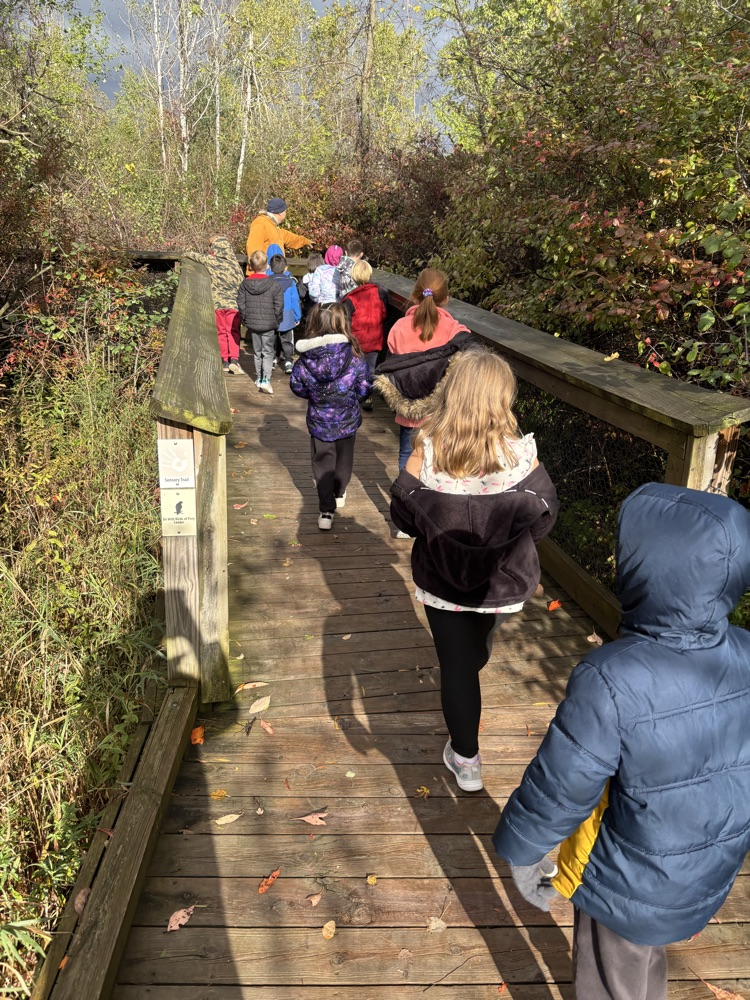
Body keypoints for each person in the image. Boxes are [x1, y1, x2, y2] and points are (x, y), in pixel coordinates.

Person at [492, 482, 750, 1000]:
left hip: (627, 875)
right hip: (707, 862)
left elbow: (564, 783)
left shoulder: (611, 678)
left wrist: (522, 849)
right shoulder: (745, 650)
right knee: (645, 958)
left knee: (611, 979)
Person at [390, 348, 558, 793]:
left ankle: (466, 760)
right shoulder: (520, 455)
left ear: (454, 393)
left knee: (457, 666)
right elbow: (545, 514)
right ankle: (465, 729)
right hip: (498, 584)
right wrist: (508, 546)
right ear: (502, 399)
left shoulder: (427, 448)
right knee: (475, 653)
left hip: (441, 581)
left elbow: (403, 513)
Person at [374, 267, 473, 481]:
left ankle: (405, 498)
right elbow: (467, 353)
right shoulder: (453, 330)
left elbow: (392, 363)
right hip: (440, 412)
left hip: (408, 409)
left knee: (406, 455)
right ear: (446, 299)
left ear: (414, 294)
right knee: (440, 458)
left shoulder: (399, 327)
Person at [290, 303, 371, 530]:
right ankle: (340, 492)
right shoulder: (353, 355)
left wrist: (314, 394)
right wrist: (353, 396)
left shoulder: (306, 358)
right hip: (347, 419)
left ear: (314, 324)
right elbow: (365, 387)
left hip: (319, 421)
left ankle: (326, 512)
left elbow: (297, 385)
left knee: (323, 463)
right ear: (342, 323)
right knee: (344, 460)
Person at [182, 237, 245, 374]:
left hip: (217, 305)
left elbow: (198, 257)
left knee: (221, 332)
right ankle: (234, 359)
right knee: (233, 332)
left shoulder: (211, 261)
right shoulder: (235, 266)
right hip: (233, 305)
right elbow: (242, 284)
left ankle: (225, 361)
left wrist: (186, 253)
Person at [342, 259, 388, 410]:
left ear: (354, 276)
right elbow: (384, 313)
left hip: (356, 341)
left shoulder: (350, 299)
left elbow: (346, 322)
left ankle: (353, 395)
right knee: (370, 369)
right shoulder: (380, 292)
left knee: (354, 368)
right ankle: (367, 398)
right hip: (374, 339)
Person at [237, 250, 284, 394]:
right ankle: (266, 380)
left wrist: (245, 319)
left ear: (251, 266)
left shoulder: (245, 284)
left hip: (253, 323)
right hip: (269, 324)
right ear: (267, 266)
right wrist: (277, 319)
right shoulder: (273, 284)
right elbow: (279, 304)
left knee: (257, 352)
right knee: (268, 352)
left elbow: (241, 303)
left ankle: (258, 378)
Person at [246, 197, 312, 263]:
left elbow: (291, 238)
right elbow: (253, 249)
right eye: (285, 211)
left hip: (273, 271)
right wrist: (258, 270)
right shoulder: (260, 224)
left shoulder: (274, 226)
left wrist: (306, 241)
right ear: (280, 213)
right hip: (263, 271)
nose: (285, 214)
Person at [267, 248, 302, 374]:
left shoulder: (267, 282)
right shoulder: (291, 282)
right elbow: (295, 301)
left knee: (271, 338)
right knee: (287, 340)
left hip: (271, 315)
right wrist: (297, 317)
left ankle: (271, 360)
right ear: (285, 268)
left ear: (270, 268)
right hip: (287, 315)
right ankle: (288, 361)